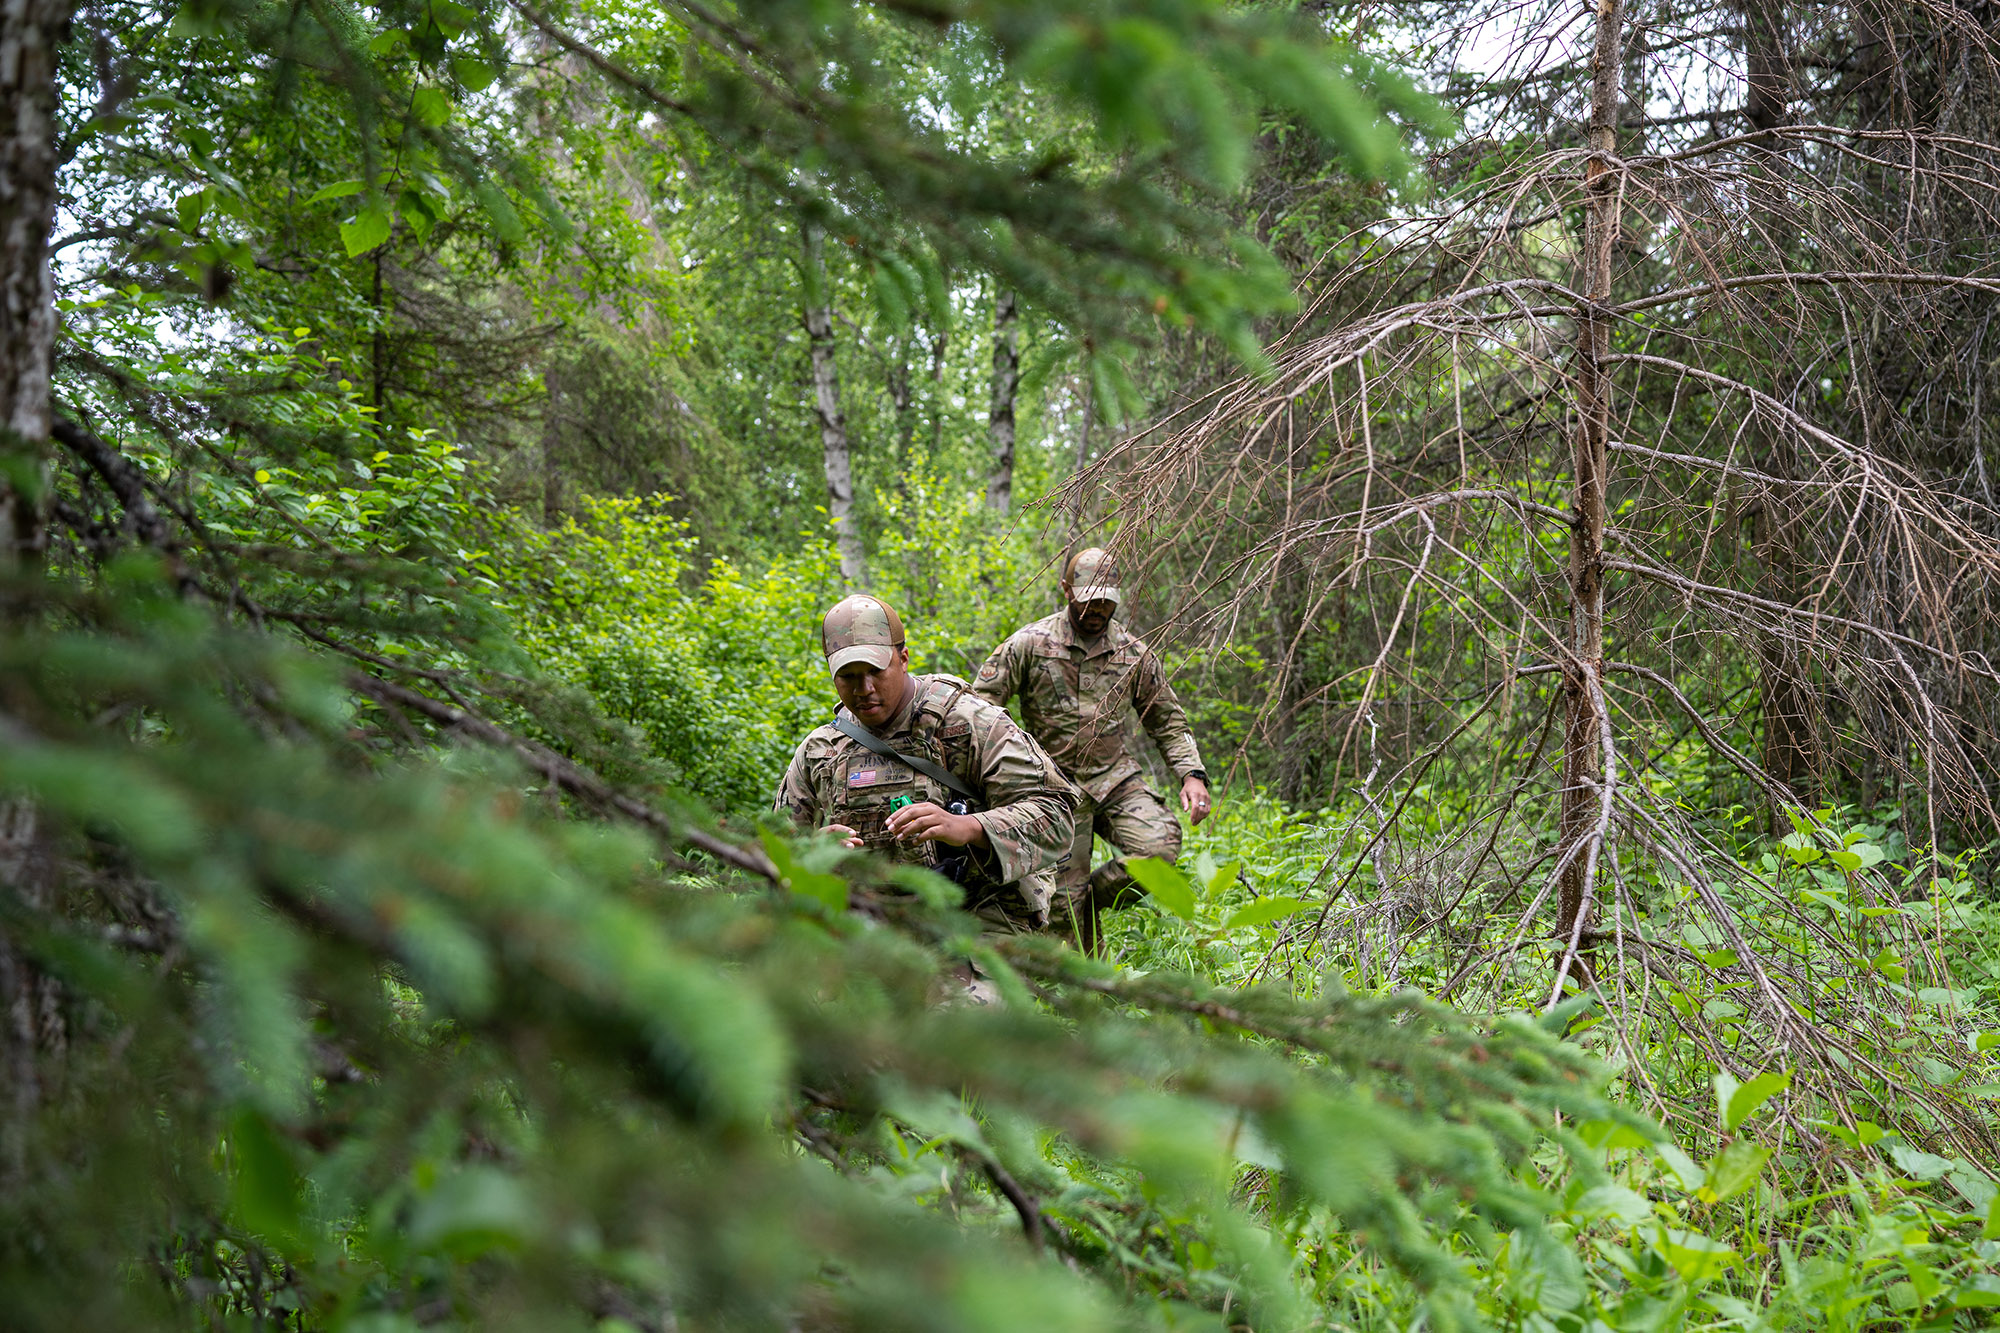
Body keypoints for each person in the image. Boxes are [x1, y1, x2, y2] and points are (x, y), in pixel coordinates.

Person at [774, 593, 1076, 949]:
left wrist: (968, 828)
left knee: (958, 1004)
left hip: (980, 912)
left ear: (903, 659)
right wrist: (811, 852)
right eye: (848, 676)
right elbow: (776, 856)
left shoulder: (969, 723)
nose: (864, 689)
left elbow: (1056, 816)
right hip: (872, 920)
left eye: (875, 671)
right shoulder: (822, 751)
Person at [974, 547, 1212, 955]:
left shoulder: (1134, 654)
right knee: (1063, 912)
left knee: (1159, 853)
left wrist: (1192, 774)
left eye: (1106, 601)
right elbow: (980, 709)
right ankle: (1088, 982)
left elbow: (1167, 720)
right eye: (1088, 600)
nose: (1097, 610)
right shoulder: (1029, 644)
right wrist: (1000, 771)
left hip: (1115, 779)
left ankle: (1090, 901)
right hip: (1055, 788)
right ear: (1067, 590)